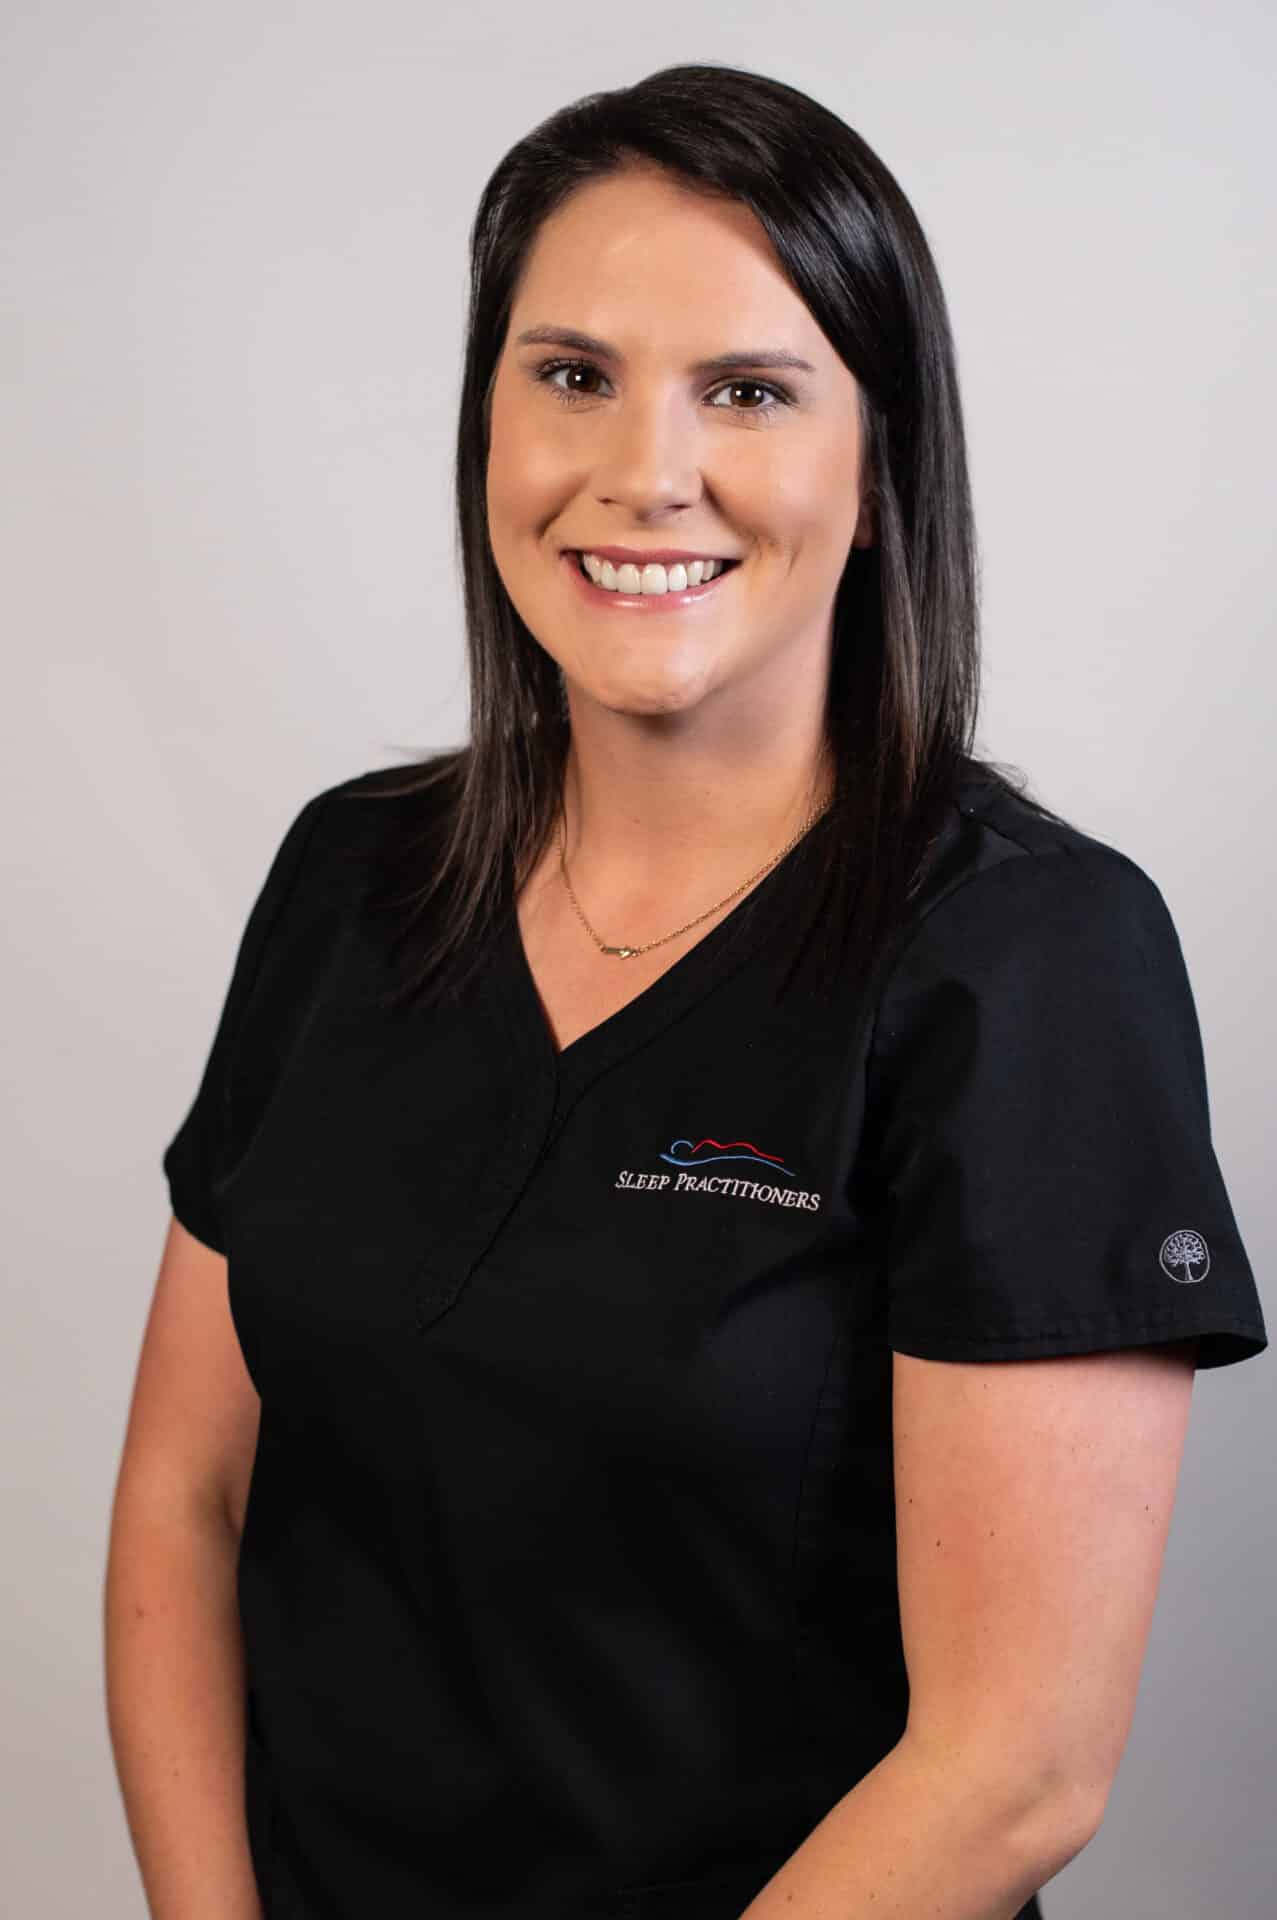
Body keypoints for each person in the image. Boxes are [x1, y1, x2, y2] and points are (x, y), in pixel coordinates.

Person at [104, 62, 1268, 1920]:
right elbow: (186, 1494)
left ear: (879, 470)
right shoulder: (348, 879)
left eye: (747, 389)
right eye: (571, 374)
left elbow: (1015, 1763)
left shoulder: (1029, 959)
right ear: (486, 423)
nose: (641, 469)